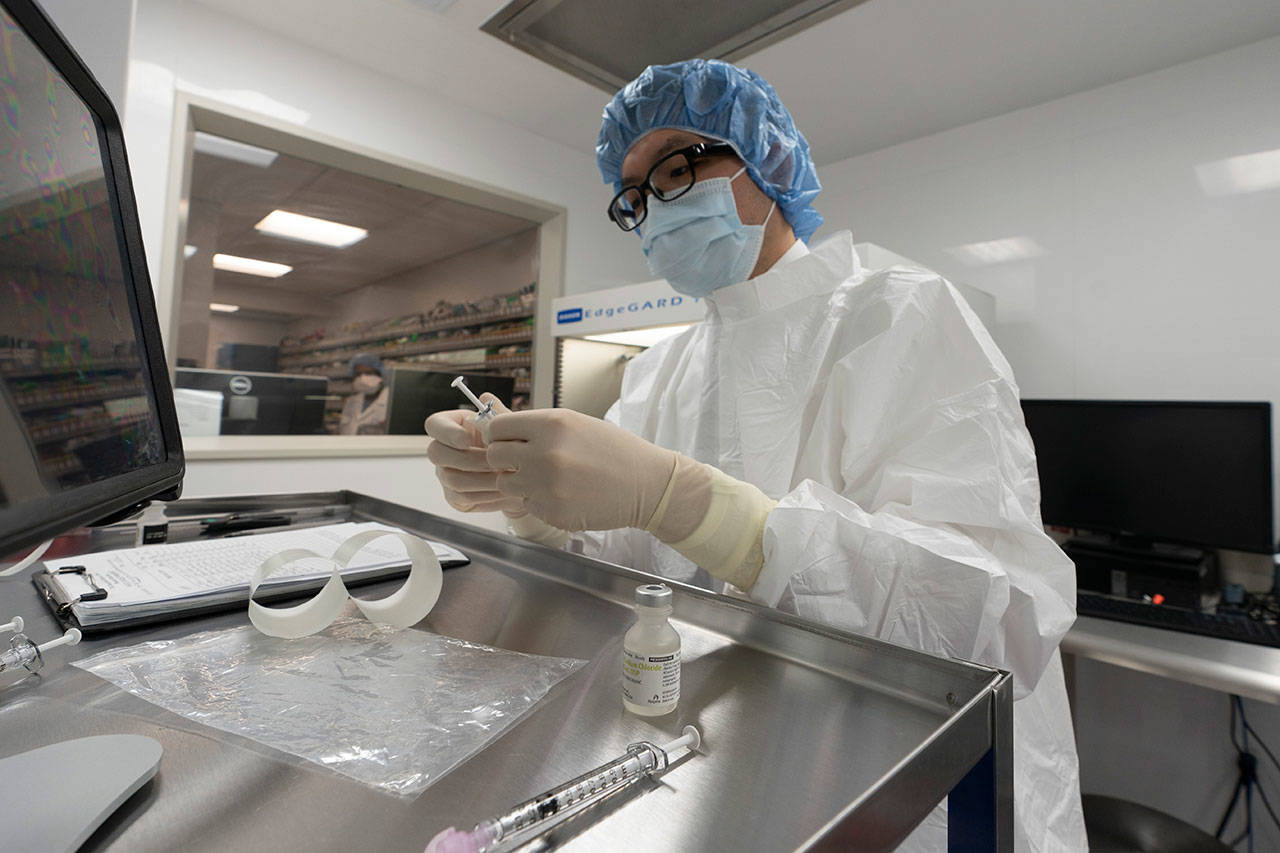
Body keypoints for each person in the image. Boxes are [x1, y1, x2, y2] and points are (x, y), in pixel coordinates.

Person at [425, 59, 1085, 851]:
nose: (653, 208)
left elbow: (997, 613)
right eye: (633, 196)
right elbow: (626, 563)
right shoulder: (663, 368)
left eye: (677, 166)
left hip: (913, 797)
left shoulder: (901, 314)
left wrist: (702, 507)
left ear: (764, 157)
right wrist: (532, 509)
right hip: (715, 769)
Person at [339, 352, 388, 435]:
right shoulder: (351, 402)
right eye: (358, 374)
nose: (362, 378)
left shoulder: (391, 402)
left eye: (368, 373)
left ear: (380, 375)